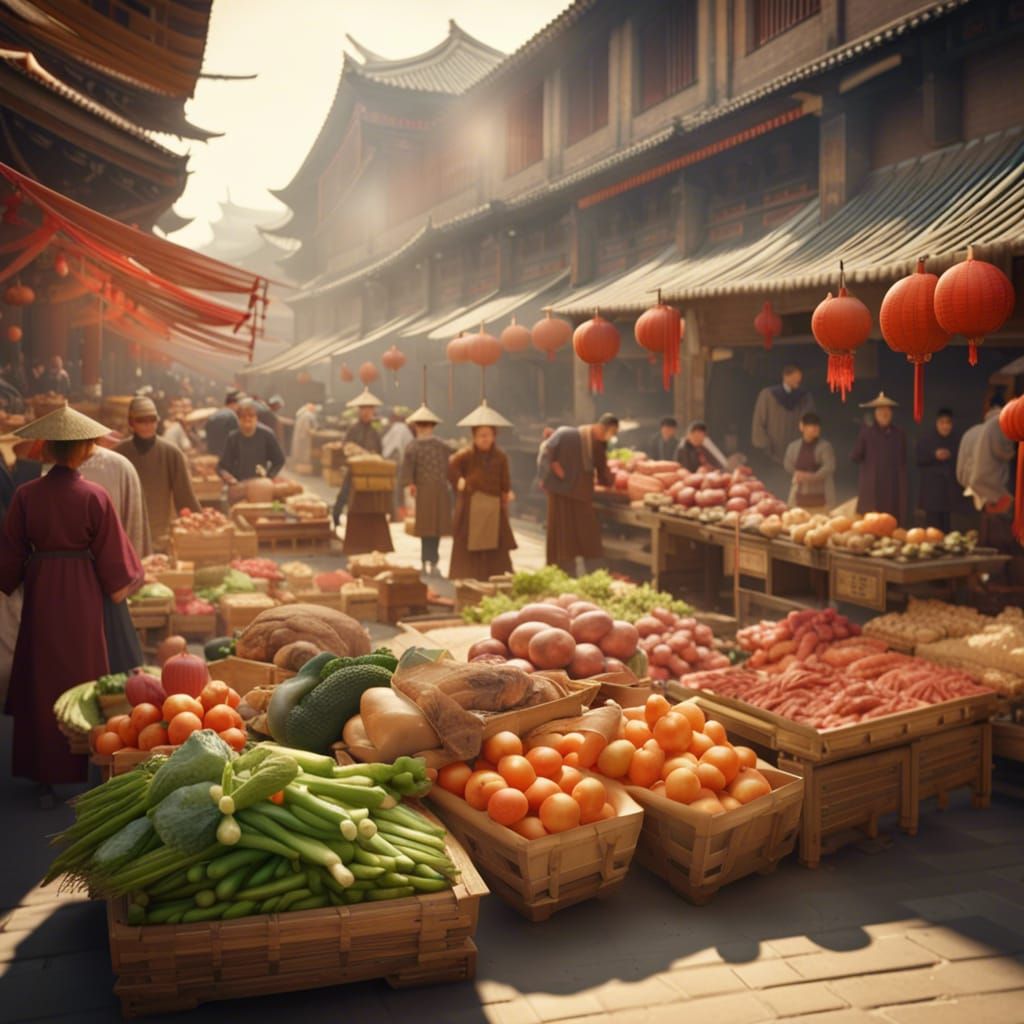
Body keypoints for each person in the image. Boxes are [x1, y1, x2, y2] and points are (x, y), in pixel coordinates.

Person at [0, 407, 142, 804]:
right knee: (83, 674)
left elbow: (9, 554)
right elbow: (115, 561)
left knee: (40, 674)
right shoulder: (94, 496)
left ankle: (44, 774)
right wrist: (120, 586)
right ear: (81, 449)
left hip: (42, 589)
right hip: (82, 592)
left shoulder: (27, 495)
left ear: (48, 448)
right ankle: (86, 765)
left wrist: (15, 576)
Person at [80, 439, 150, 672]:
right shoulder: (37, 477)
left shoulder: (118, 466)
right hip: (102, 569)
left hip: (102, 569)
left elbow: (132, 522)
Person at [116, 396, 201, 550]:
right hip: (126, 534)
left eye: (152, 419)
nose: (148, 424)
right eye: (142, 420)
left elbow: (185, 497)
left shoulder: (172, 453)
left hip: (160, 536)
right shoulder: (120, 453)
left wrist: (198, 526)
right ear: (131, 422)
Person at [538, 412, 618, 573]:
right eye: (612, 433)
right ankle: (595, 574)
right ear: (606, 429)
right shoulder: (595, 443)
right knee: (588, 538)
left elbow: (545, 453)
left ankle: (561, 573)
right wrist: (612, 479)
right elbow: (603, 474)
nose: (609, 438)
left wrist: (549, 477)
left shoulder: (564, 432)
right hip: (579, 495)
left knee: (561, 537)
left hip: (557, 492)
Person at [448, 402, 517, 580]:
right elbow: (452, 468)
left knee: (495, 543)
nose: (484, 439)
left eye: (488, 435)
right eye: (481, 435)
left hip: (493, 505)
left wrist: (506, 491)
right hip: (472, 505)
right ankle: (469, 574)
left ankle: (493, 574)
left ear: (494, 436)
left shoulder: (501, 457)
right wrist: (460, 481)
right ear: (475, 437)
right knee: (469, 542)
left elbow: (505, 479)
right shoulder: (465, 455)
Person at [400, 404, 452, 575]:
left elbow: (452, 461)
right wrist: (411, 485)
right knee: (425, 527)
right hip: (422, 491)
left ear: (432, 427)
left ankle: (434, 558)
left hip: (439, 490)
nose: (424, 429)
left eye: (427, 425)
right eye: (421, 425)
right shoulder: (412, 447)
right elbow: (407, 470)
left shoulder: (441, 445)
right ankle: (425, 558)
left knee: (436, 526)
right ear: (416, 427)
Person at [957, 397, 1015, 546]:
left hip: (972, 491)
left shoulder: (972, 431)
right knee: (1001, 544)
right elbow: (1004, 453)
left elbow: (961, 471)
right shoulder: (999, 427)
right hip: (994, 492)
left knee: (983, 541)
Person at [752, 365, 814, 485]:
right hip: (773, 452)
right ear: (786, 376)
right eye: (796, 375)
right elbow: (759, 422)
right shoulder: (767, 395)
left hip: (797, 450)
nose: (800, 379)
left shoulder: (804, 397)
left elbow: (810, 421)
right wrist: (765, 444)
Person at [851, 392, 907, 521]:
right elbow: (855, 456)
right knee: (870, 522)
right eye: (881, 412)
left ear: (891, 414)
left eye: (887, 412)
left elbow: (902, 461)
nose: (884, 415)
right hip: (872, 484)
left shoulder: (899, 434)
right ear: (876, 414)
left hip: (891, 484)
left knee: (890, 520)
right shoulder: (867, 433)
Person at [333, 390, 383, 527]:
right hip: (354, 468)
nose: (367, 413)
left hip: (370, 469)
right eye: (364, 410)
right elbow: (346, 446)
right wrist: (355, 452)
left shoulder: (375, 431)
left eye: (369, 410)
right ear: (359, 411)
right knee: (345, 492)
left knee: (369, 497)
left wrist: (372, 456)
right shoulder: (353, 428)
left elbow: (379, 451)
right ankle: (336, 515)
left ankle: (368, 523)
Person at [218, 399, 286, 486]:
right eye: (243, 416)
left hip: (260, 483)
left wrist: (269, 477)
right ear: (238, 419)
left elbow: (279, 459)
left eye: (251, 416)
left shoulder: (267, 435)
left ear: (256, 418)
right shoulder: (233, 438)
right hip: (239, 484)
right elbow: (222, 466)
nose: (247, 419)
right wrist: (228, 477)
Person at [917, 408, 961, 533]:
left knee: (948, 527)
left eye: (948, 423)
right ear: (937, 423)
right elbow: (919, 460)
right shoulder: (926, 439)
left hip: (950, 492)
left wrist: (950, 454)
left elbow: (963, 461)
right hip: (931, 492)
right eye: (942, 422)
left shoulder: (957, 441)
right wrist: (934, 455)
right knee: (932, 529)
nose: (945, 426)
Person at [783, 412, 836, 512]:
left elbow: (829, 467)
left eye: (817, 425)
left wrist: (811, 477)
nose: (816, 428)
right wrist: (797, 473)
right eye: (812, 425)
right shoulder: (793, 446)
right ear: (802, 427)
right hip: (798, 495)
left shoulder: (825, 446)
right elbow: (788, 464)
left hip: (821, 497)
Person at [204, 389, 241, 458]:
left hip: (212, 452)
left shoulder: (214, 414)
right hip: (226, 453)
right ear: (233, 404)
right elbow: (237, 435)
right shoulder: (232, 415)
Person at [290, 402, 318, 470]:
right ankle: (303, 467)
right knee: (303, 452)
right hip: (304, 436)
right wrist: (313, 432)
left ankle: (297, 466)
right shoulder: (307, 415)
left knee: (298, 450)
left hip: (300, 436)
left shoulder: (301, 413)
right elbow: (307, 428)